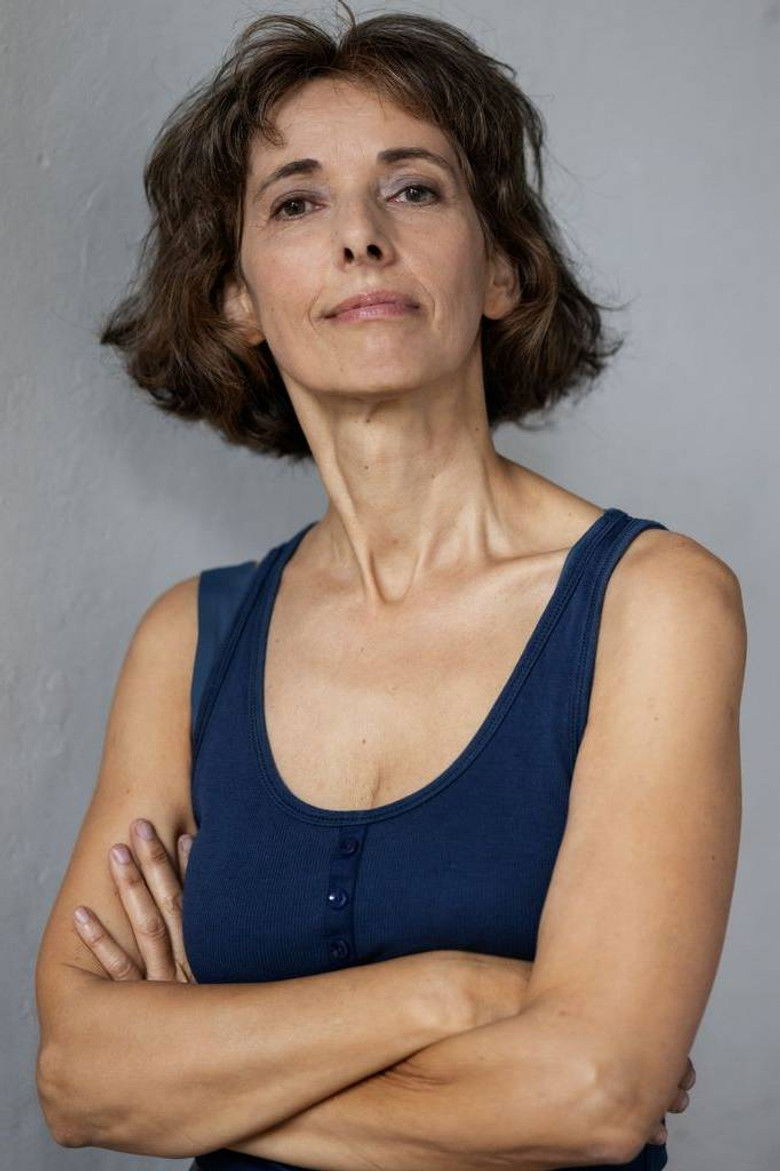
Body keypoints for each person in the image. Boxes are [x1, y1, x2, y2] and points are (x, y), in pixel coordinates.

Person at [34, 6, 744, 1171]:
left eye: (414, 189)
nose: (361, 236)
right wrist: (452, 992)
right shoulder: (190, 639)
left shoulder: (651, 602)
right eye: (296, 203)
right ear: (235, 298)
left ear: (503, 268)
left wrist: (186, 1081)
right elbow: (75, 1077)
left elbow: (593, 1095)